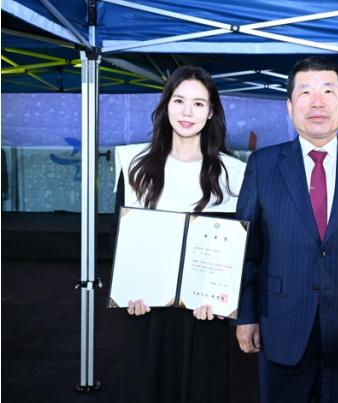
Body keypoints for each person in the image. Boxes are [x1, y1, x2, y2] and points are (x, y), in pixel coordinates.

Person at [235, 56, 338, 403]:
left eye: (328, 91)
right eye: (305, 92)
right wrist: (245, 314)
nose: (317, 102)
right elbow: (246, 251)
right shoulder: (263, 165)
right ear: (290, 106)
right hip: (280, 324)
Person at [113, 65, 246, 403]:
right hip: (145, 311)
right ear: (166, 105)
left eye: (199, 104)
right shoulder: (134, 165)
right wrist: (129, 289)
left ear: (211, 111)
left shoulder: (233, 175)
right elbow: (120, 240)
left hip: (204, 315)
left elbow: (238, 253)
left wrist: (221, 299)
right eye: (179, 101)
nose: (188, 112)